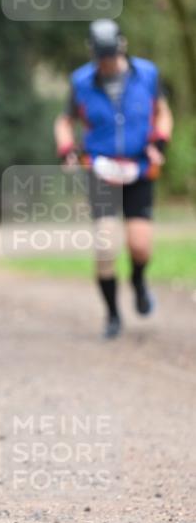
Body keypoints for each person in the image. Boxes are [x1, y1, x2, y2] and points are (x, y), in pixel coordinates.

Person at [54, 20, 173, 339]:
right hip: (101, 168)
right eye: (101, 58)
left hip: (138, 168)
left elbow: (163, 112)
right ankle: (112, 315)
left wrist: (159, 142)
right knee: (106, 245)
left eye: (111, 56)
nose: (107, 63)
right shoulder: (81, 81)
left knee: (140, 246)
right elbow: (65, 121)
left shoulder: (147, 74)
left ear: (122, 46)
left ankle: (138, 281)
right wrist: (67, 149)